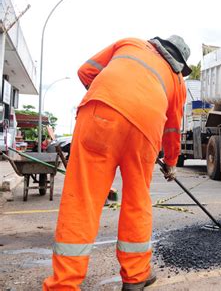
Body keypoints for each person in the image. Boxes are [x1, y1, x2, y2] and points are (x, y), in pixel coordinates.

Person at [43, 35, 190, 290]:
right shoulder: (177, 82)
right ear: (179, 62)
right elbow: (173, 129)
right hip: (144, 131)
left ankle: (63, 284)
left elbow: (86, 71)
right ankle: (136, 276)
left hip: (99, 114)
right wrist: (170, 162)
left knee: (82, 199)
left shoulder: (130, 43)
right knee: (137, 200)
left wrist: (110, 98)